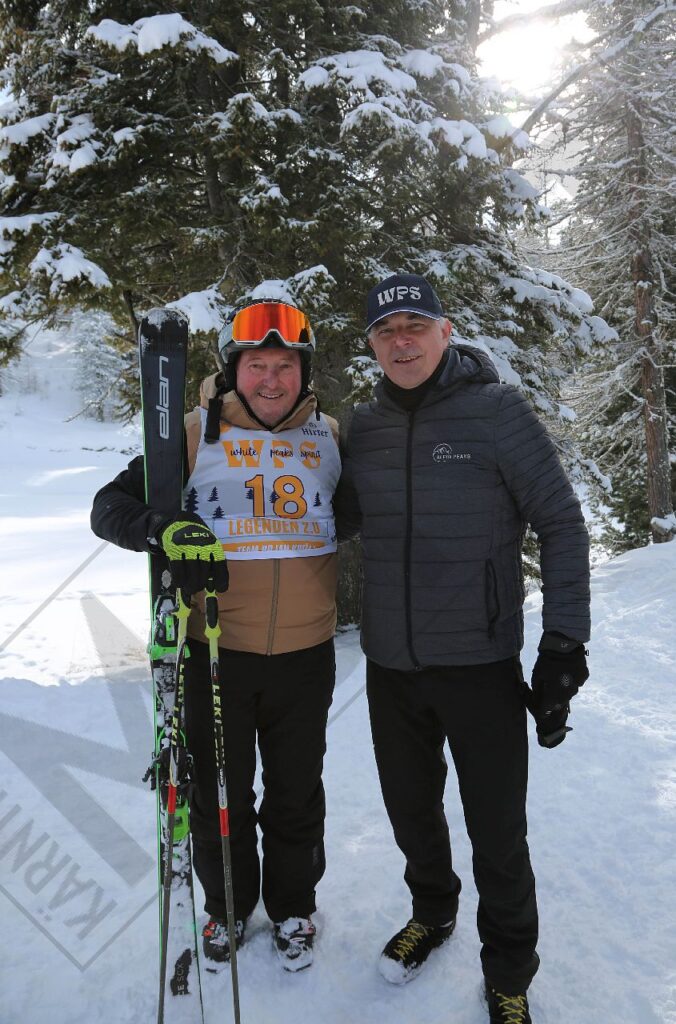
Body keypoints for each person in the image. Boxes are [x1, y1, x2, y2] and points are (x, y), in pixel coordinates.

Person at [336, 273, 590, 1023]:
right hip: (392, 666)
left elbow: (562, 523)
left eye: (415, 326)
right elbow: (330, 518)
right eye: (386, 331)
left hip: (479, 665)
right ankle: (433, 912)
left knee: (497, 832)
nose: (401, 342)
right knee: (411, 813)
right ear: (373, 345)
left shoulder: (497, 411)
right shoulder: (363, 427)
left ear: (445, 332)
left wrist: (564, 644)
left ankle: (508, 973)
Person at [91, 299, 341, 972]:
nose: (270, 380)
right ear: (233, 370)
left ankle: (293, 907)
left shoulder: (329, 437)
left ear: (303, 371)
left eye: (284, 366)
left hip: (306, 654)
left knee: (296, 794)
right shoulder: (193, 434)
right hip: (214, 651)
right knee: (219, 794)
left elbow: (362, 512)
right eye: (256, 365)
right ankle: (227, 906)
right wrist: (163, 529)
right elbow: (108, 508)